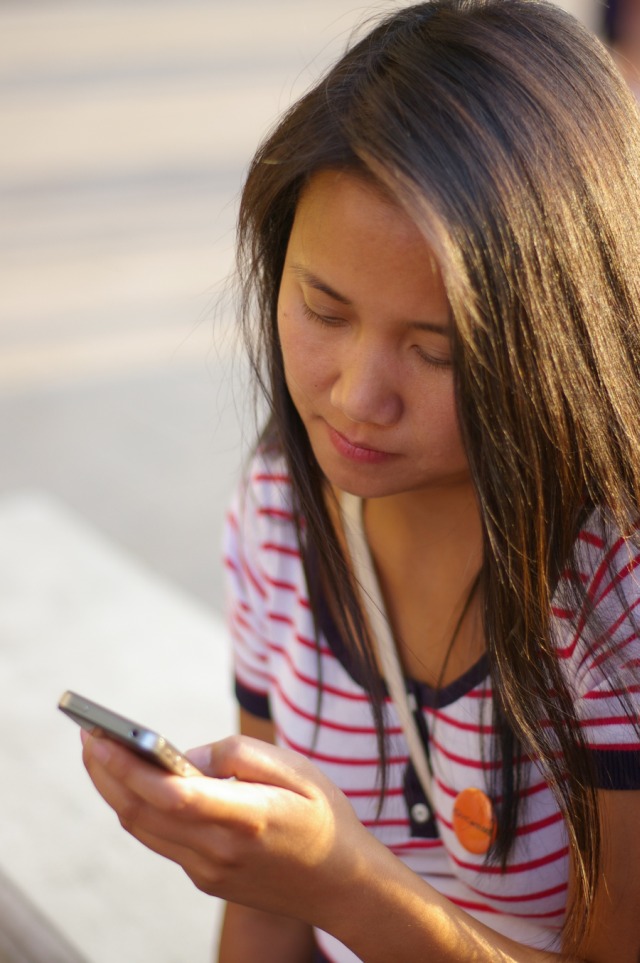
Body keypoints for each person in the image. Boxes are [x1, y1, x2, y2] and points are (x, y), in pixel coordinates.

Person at [81, 1, 640, 960]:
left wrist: (343, 883)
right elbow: (265, 915)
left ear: (559, 343)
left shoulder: (607, 581)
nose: (356, 396)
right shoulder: (276, 513)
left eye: (438, 353)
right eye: (323, 309)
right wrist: (258, 860)